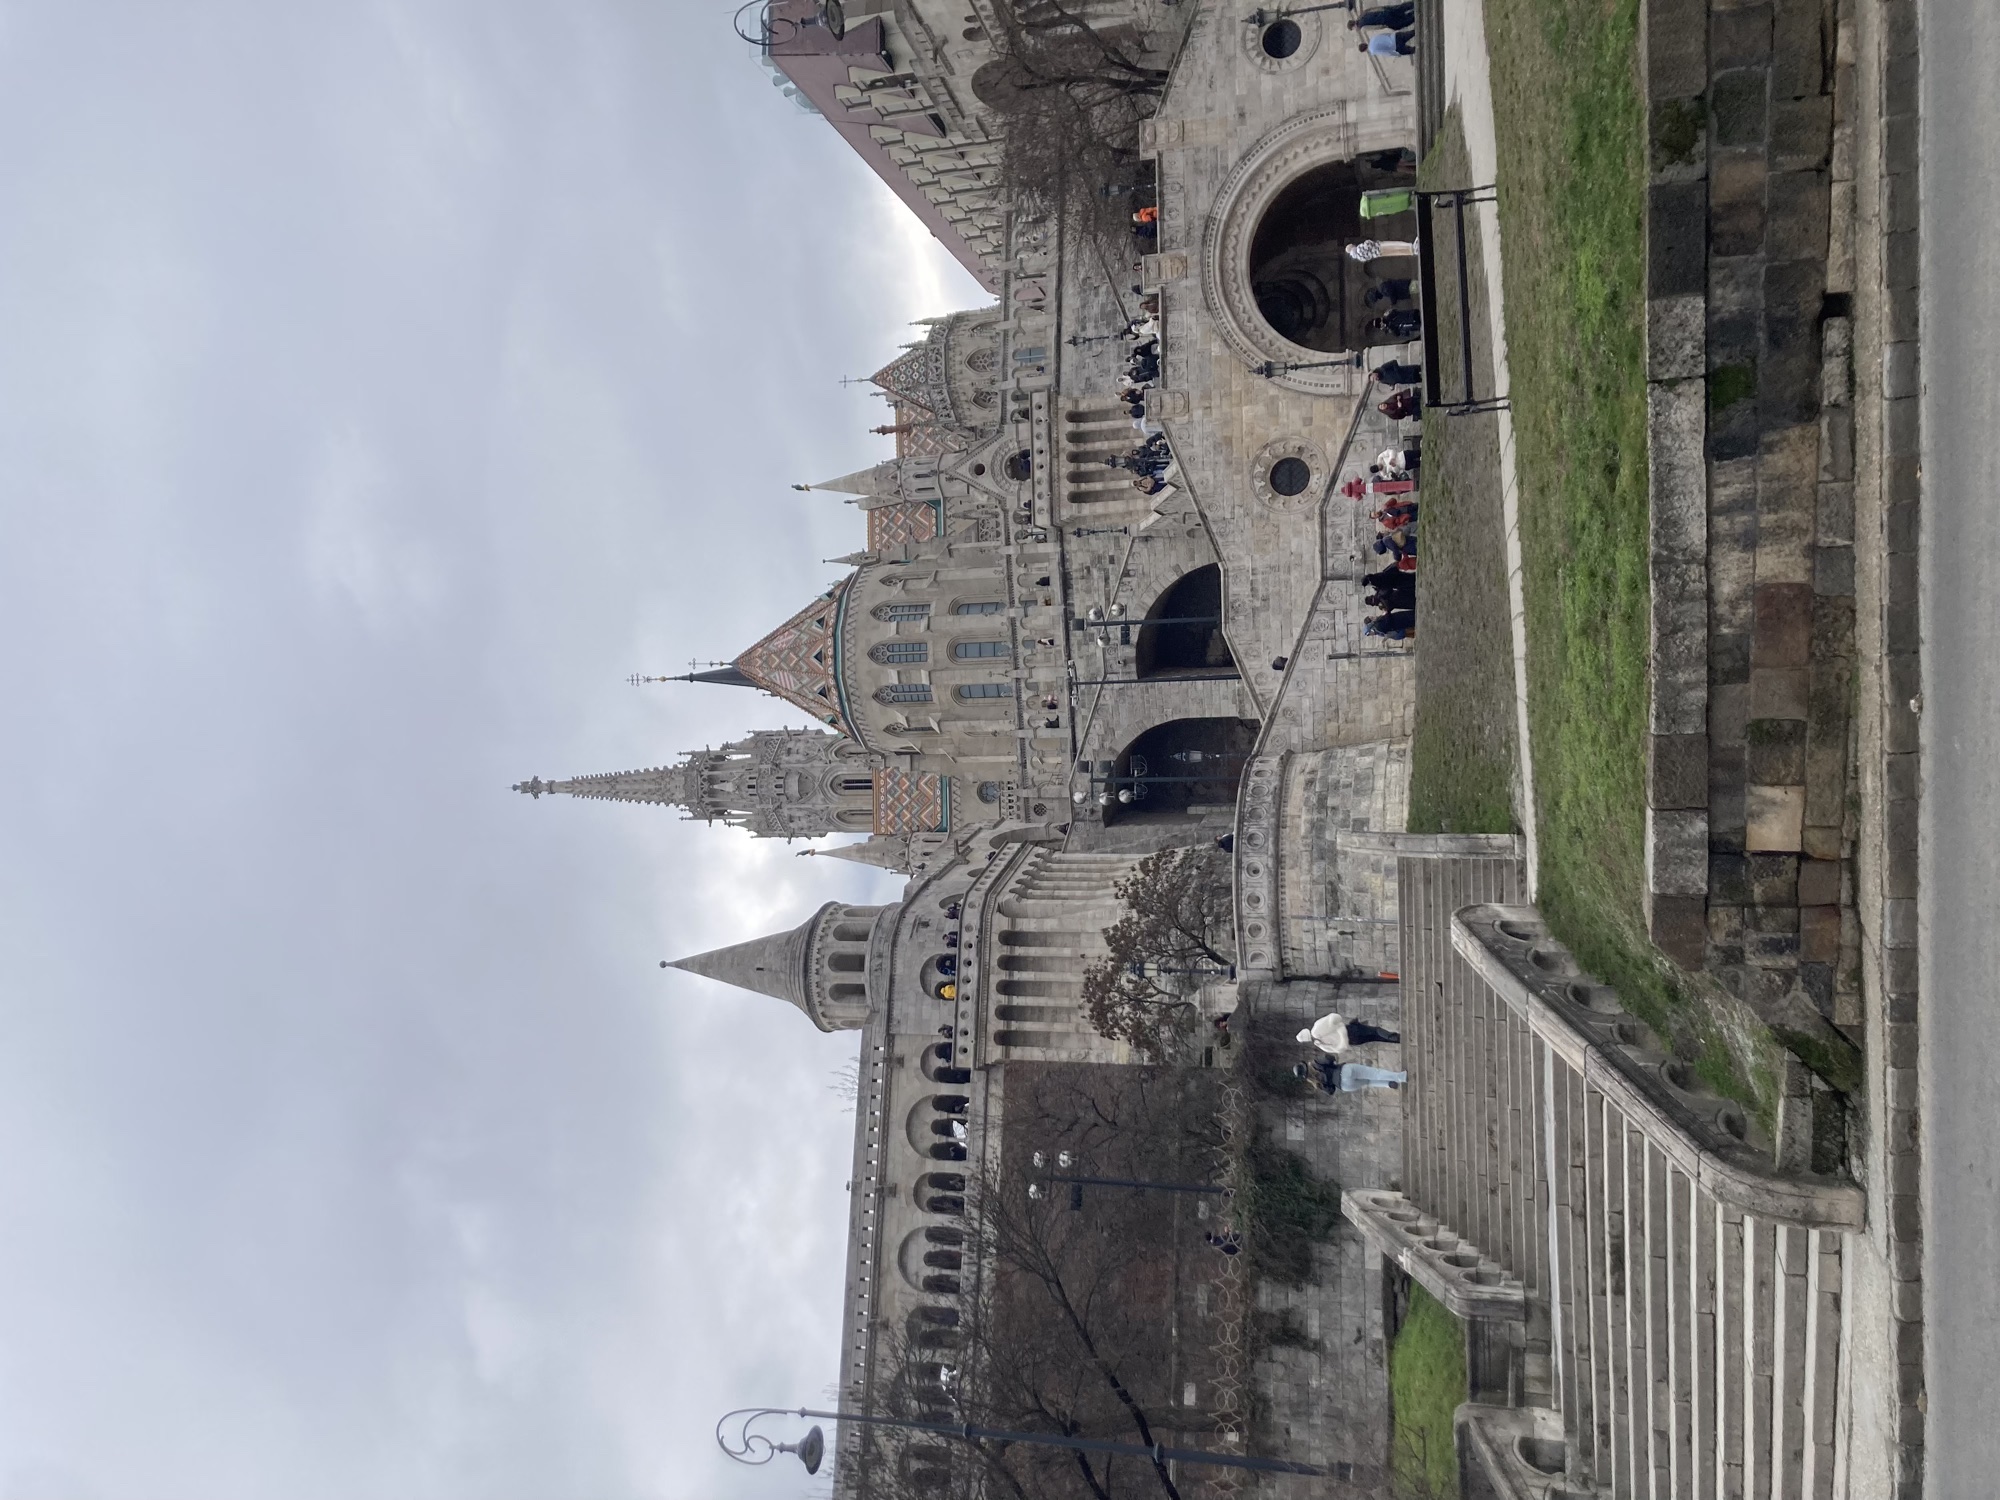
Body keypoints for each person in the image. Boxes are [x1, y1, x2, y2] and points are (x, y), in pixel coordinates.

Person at [1298, 1012, 1403, 1054]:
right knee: (1376, 1030)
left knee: (1375, 1037)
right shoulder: (1316, 1028)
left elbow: (1337, 1050)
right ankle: (1394, 1037)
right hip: (1350, 1031)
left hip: (1353, 1041)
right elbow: (1334, 1017)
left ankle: (1398, 1040)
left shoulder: (1318, 1044)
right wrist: (1339, 1024)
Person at [1295, 1060, 1407, 1092]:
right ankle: (1399, 1077)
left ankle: (1388, 1084)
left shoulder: (1316, 1083)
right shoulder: (1315, 1063)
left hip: (1344, 1086)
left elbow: (1331, 1090)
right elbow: (1330, 1058)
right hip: (1343, 1071)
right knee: (1374, 1073)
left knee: (1367, 1082)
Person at [1348, 238, 1421, 264]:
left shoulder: (1359, 258)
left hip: (1378, 253)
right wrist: (1368, 241)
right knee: (1395, 245)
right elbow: (1368, 244)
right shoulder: (1358, 249)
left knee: (1395, 252)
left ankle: (1412, 251)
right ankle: (1411, 247)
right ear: (1351, 247)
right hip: (1378, 247)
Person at [1348, 2, 1416, 29]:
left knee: (1399, 24)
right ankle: (1412, 4)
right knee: (1400, 8)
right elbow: (1373, 9)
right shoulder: (1362, 14)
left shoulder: (1363, 27)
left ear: (1353, 26)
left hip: (1384, 20)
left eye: (1353, 28)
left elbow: (1375, 27)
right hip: (1384, 10)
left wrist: (1384, 26)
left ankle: (1413, 16)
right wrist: (1383, 8)